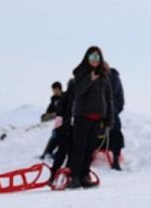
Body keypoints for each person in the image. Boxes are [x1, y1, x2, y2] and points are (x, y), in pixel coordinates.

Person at [68, 46, 114, 189]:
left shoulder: (104, 75)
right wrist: (89, 79)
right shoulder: (80, 73)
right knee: (79, 148)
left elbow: (109, 98)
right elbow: (78, 92)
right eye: (92, 57)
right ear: (87, 58)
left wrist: (108, 119)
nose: (95, 60)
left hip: (97, 117)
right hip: (82, 116)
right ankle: (74, 176)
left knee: (90, 149)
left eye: (97, 57)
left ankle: (84, 175)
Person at [48, 79, 75, 184]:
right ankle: (56, 172)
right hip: (65, 128)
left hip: (68, 128)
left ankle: (60, 172)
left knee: (66, 152)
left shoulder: (67, 97)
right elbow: (59, 114)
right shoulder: (68, 97)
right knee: (64, 151)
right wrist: (59, 128)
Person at [39, 81, 63, 160]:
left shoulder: (65, 97)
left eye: (54, 89)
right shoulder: (54, 99)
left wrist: (54, 114)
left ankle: (53, 154)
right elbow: (49, 110)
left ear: (58, 89)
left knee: (59, 138)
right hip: (58, 122)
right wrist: (47, 115)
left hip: (65, 121)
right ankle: (46, 154)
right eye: (53, 90)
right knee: (54, 136)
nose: (53, 91)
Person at [107, 66, 125, 170]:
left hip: (112, 110)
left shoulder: (113, 78)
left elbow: (111, 95)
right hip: (100, 110)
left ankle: (116, 159)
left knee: (115, 131)